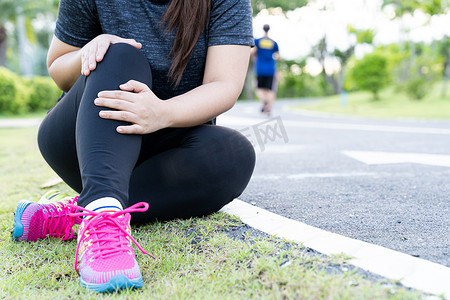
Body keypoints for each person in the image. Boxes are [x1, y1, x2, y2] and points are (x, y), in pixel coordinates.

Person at [11, 0, 255, 293]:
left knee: (236, 155)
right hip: (85, 141)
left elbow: (225, 85)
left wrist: (161, 113)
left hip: (165, 149)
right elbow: (58, 68)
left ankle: (81, 212)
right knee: (120, 53)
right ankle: (102, 211)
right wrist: (93, 50)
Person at [252, 24, 279, 116]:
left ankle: (264, 102)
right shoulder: (273, 43)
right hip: (270, 69)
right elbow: (278, 57)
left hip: (260, 69)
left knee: (259, 89)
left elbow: (252, 52)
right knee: (270, 90)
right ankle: (268, 108)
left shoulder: (258, 41)